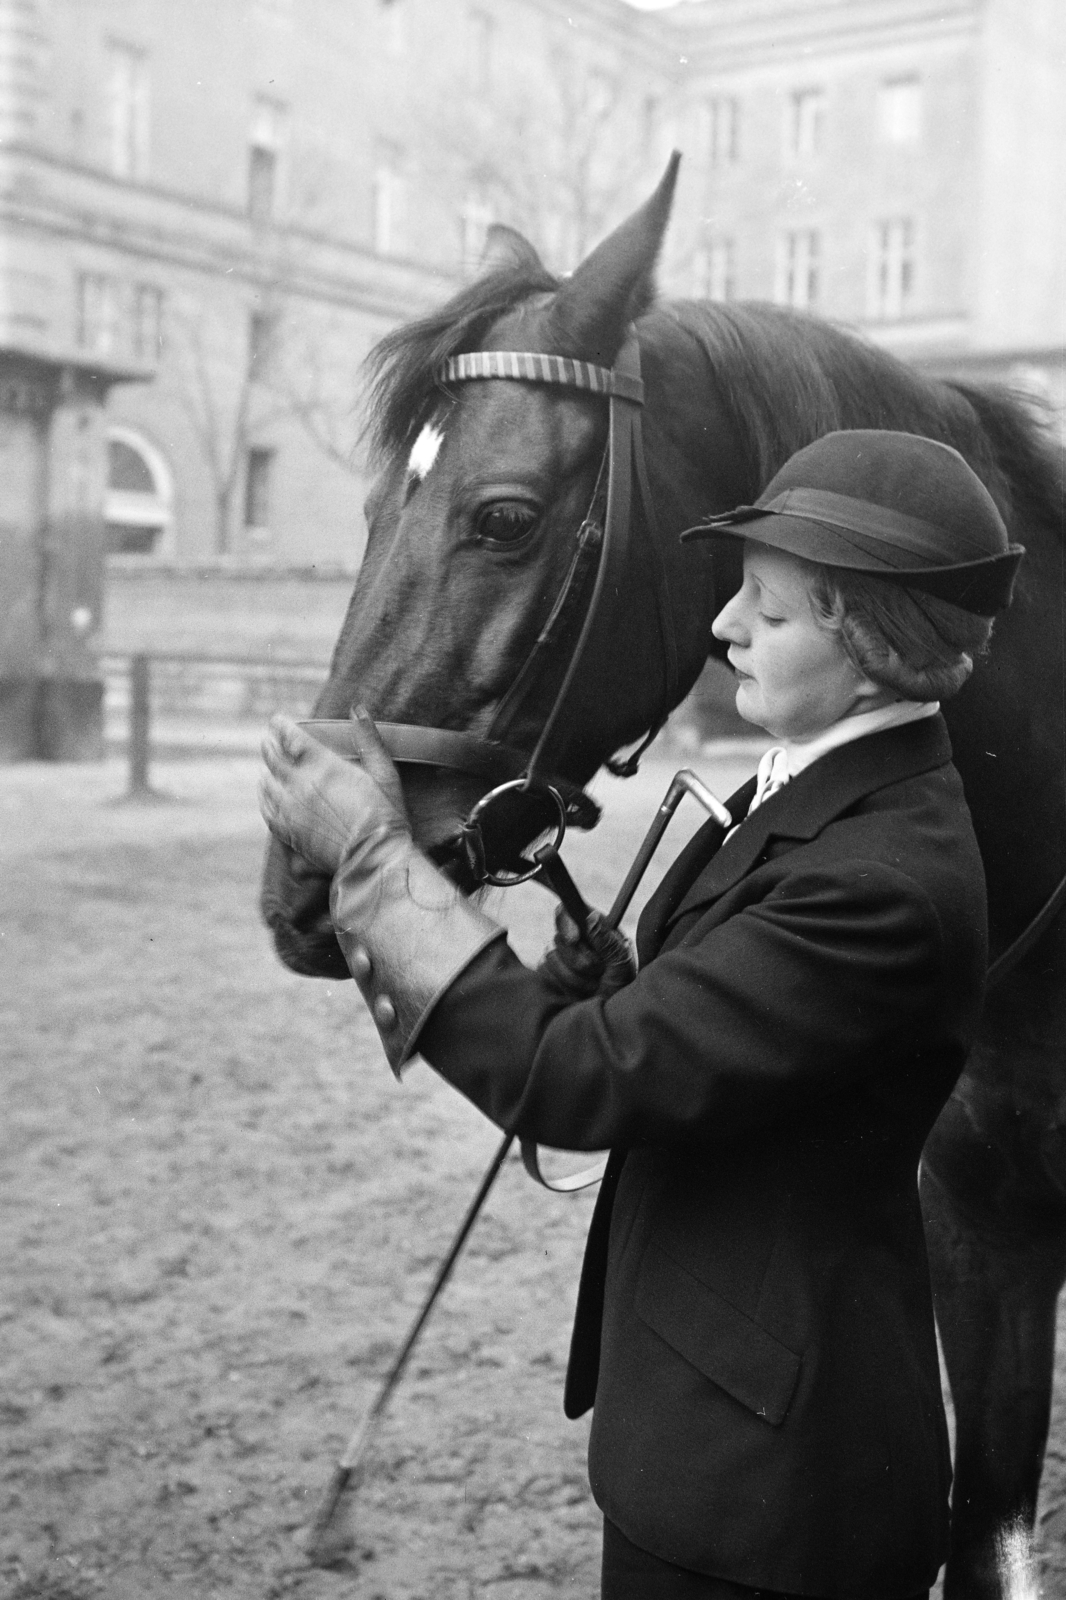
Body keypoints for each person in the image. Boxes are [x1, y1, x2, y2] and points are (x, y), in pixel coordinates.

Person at [259, 430, 1024, 1600]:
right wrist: (608, 982)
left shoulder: (879, 879)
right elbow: (716, 1043)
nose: (722, 630)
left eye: (766, 616)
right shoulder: (824, 793)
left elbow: (583, 1082)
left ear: (874, 647)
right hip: (717, 1427)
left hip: (774, 1492)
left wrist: (370, 857)